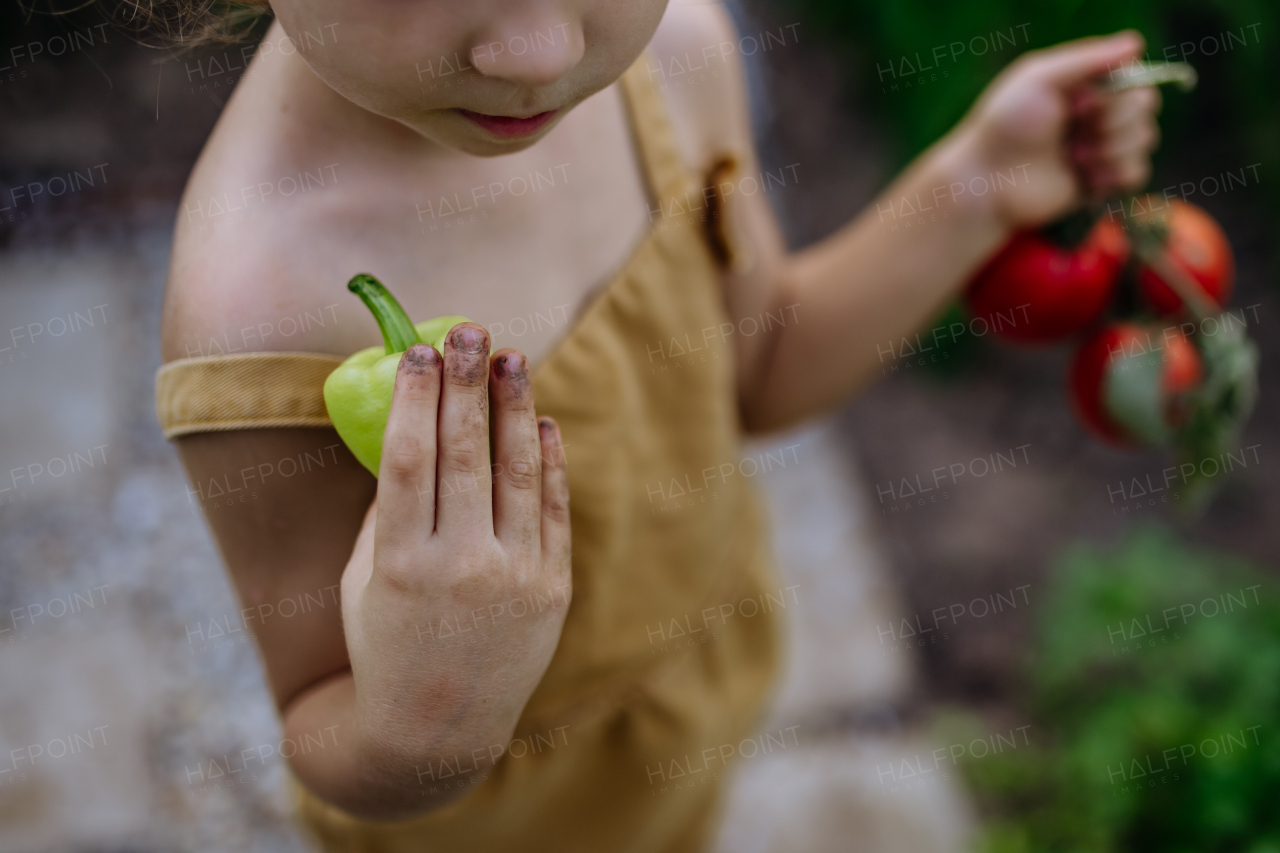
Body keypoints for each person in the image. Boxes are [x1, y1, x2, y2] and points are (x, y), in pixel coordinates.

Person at [153, 0, 1159, 849]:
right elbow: (318, 722)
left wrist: (976, 181)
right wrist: (421, 734)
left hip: (691, 703)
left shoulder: (670, 58)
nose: (535, 52)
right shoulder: (261, 302)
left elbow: (758, 371)